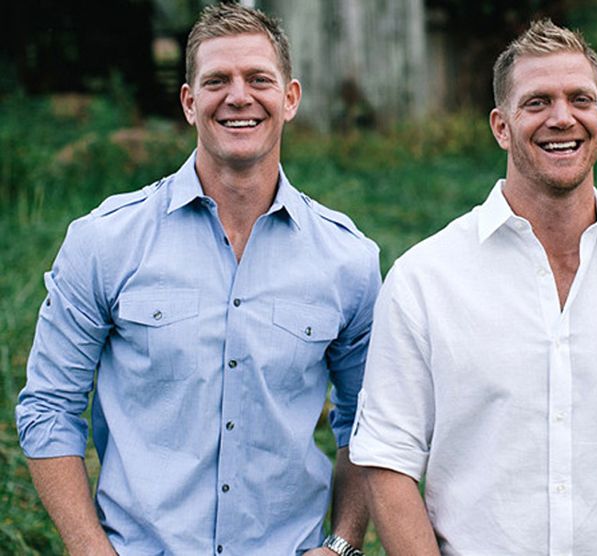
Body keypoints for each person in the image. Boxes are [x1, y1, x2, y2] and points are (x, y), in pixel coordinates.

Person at [349, 19, 597, 556]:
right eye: (536, 102)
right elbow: (388, 458)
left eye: (580, 99)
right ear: (501, 126)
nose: (562, 117)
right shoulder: (424, 278)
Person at [16, 4, 380, 555]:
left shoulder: (347, 260)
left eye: (258, 79)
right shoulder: (105, 242)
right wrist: (89, 548)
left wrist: (342, 544)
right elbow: (49, 407)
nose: (238, 96)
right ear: (189, 102)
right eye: (216, 81)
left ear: (290, 98)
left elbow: (369, 423)